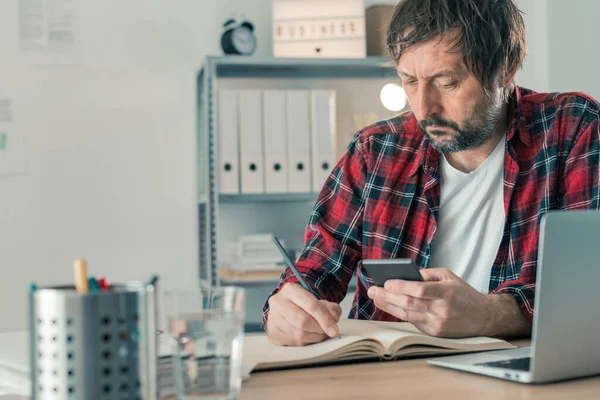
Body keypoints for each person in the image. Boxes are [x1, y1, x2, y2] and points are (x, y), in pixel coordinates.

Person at [264, 0, 600, 346]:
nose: (424, 109)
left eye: (446, 82)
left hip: (519, 379)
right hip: (389, 376)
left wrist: (489, 314)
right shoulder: (374, 151)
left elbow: (589, 290)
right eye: (409, 81)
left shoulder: (572, 129)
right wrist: (287, 311)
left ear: (506, 67)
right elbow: (313, 273)